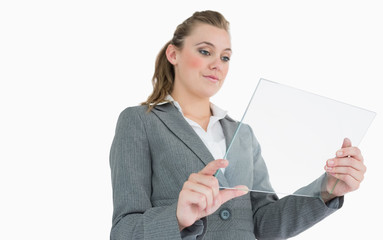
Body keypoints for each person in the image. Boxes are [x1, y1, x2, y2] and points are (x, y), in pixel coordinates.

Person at [109, 10, 367, 239]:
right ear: (173, 54)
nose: (216, 65)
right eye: (204, 51)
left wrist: (327, 190)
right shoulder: (140, 122)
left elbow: (264, 224)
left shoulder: (242, 134)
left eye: (225, 57)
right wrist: (177, 218)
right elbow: (123, 231)